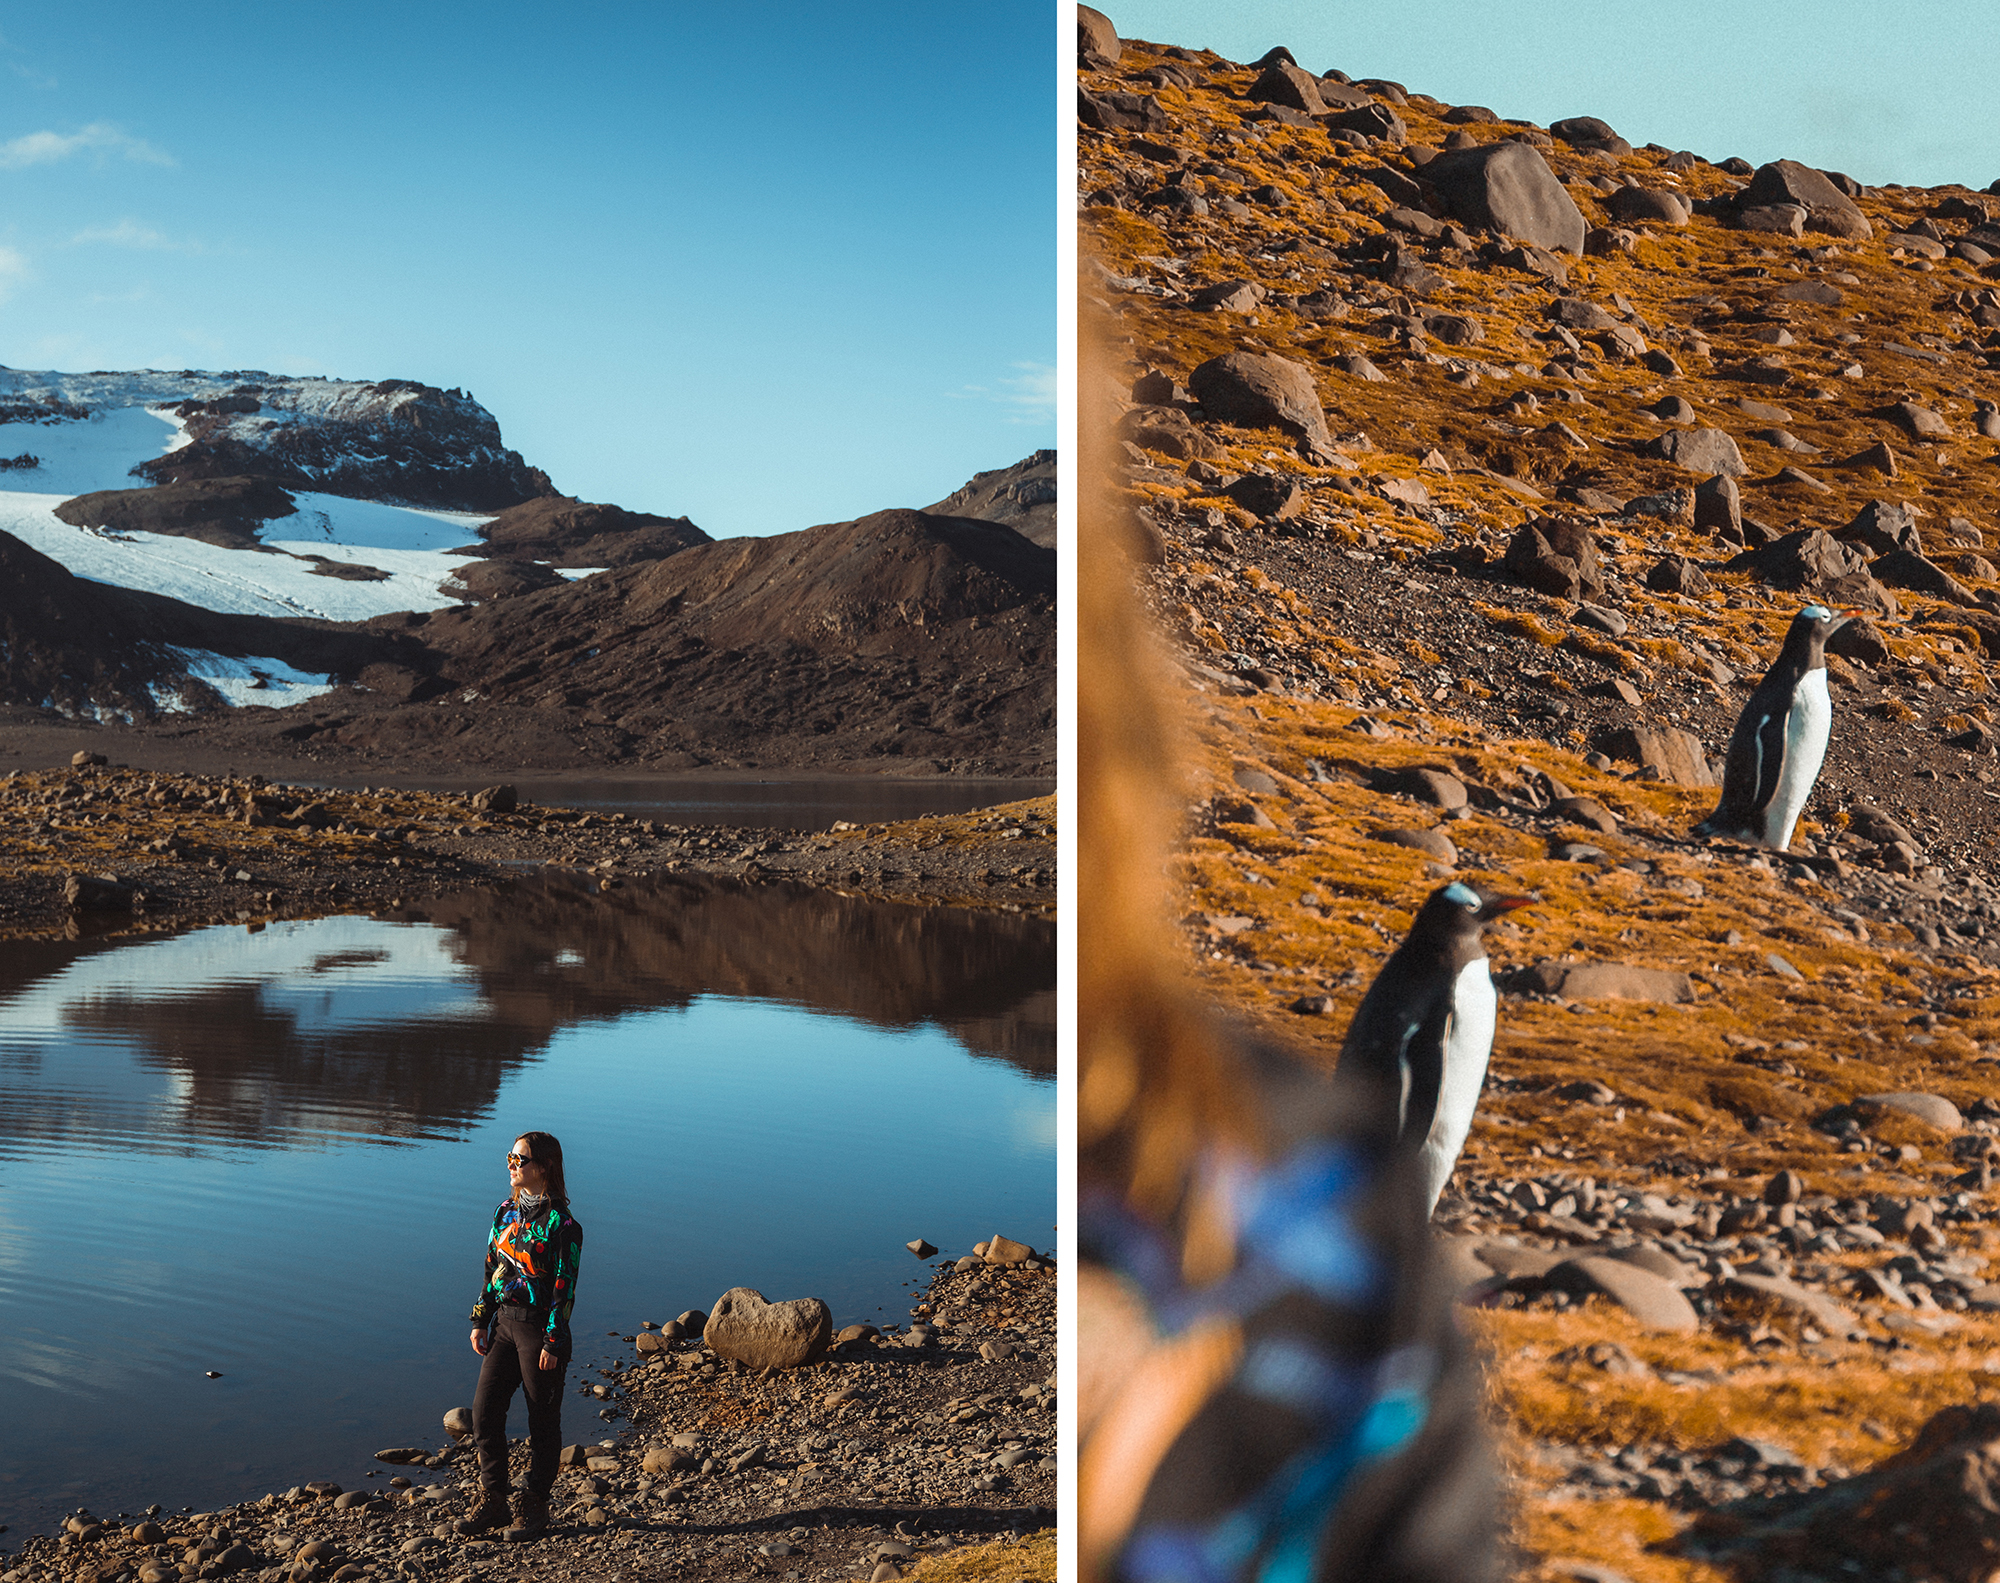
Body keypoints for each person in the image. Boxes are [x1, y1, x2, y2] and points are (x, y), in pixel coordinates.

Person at [456, 1131, 583, 1539]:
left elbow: (564, 1289)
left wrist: (552, 1341)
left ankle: (534, 1506)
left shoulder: (563, 1226)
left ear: (544, 1167)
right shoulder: (504, 1212)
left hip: (539, 1333)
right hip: (504, 1326)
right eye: (510, 1157)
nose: (512, 1164)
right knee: (484, 1411)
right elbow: (492, 1269)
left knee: (542, 1422)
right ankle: (493, 1500)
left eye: (521, 1159)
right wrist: (480, 1319)